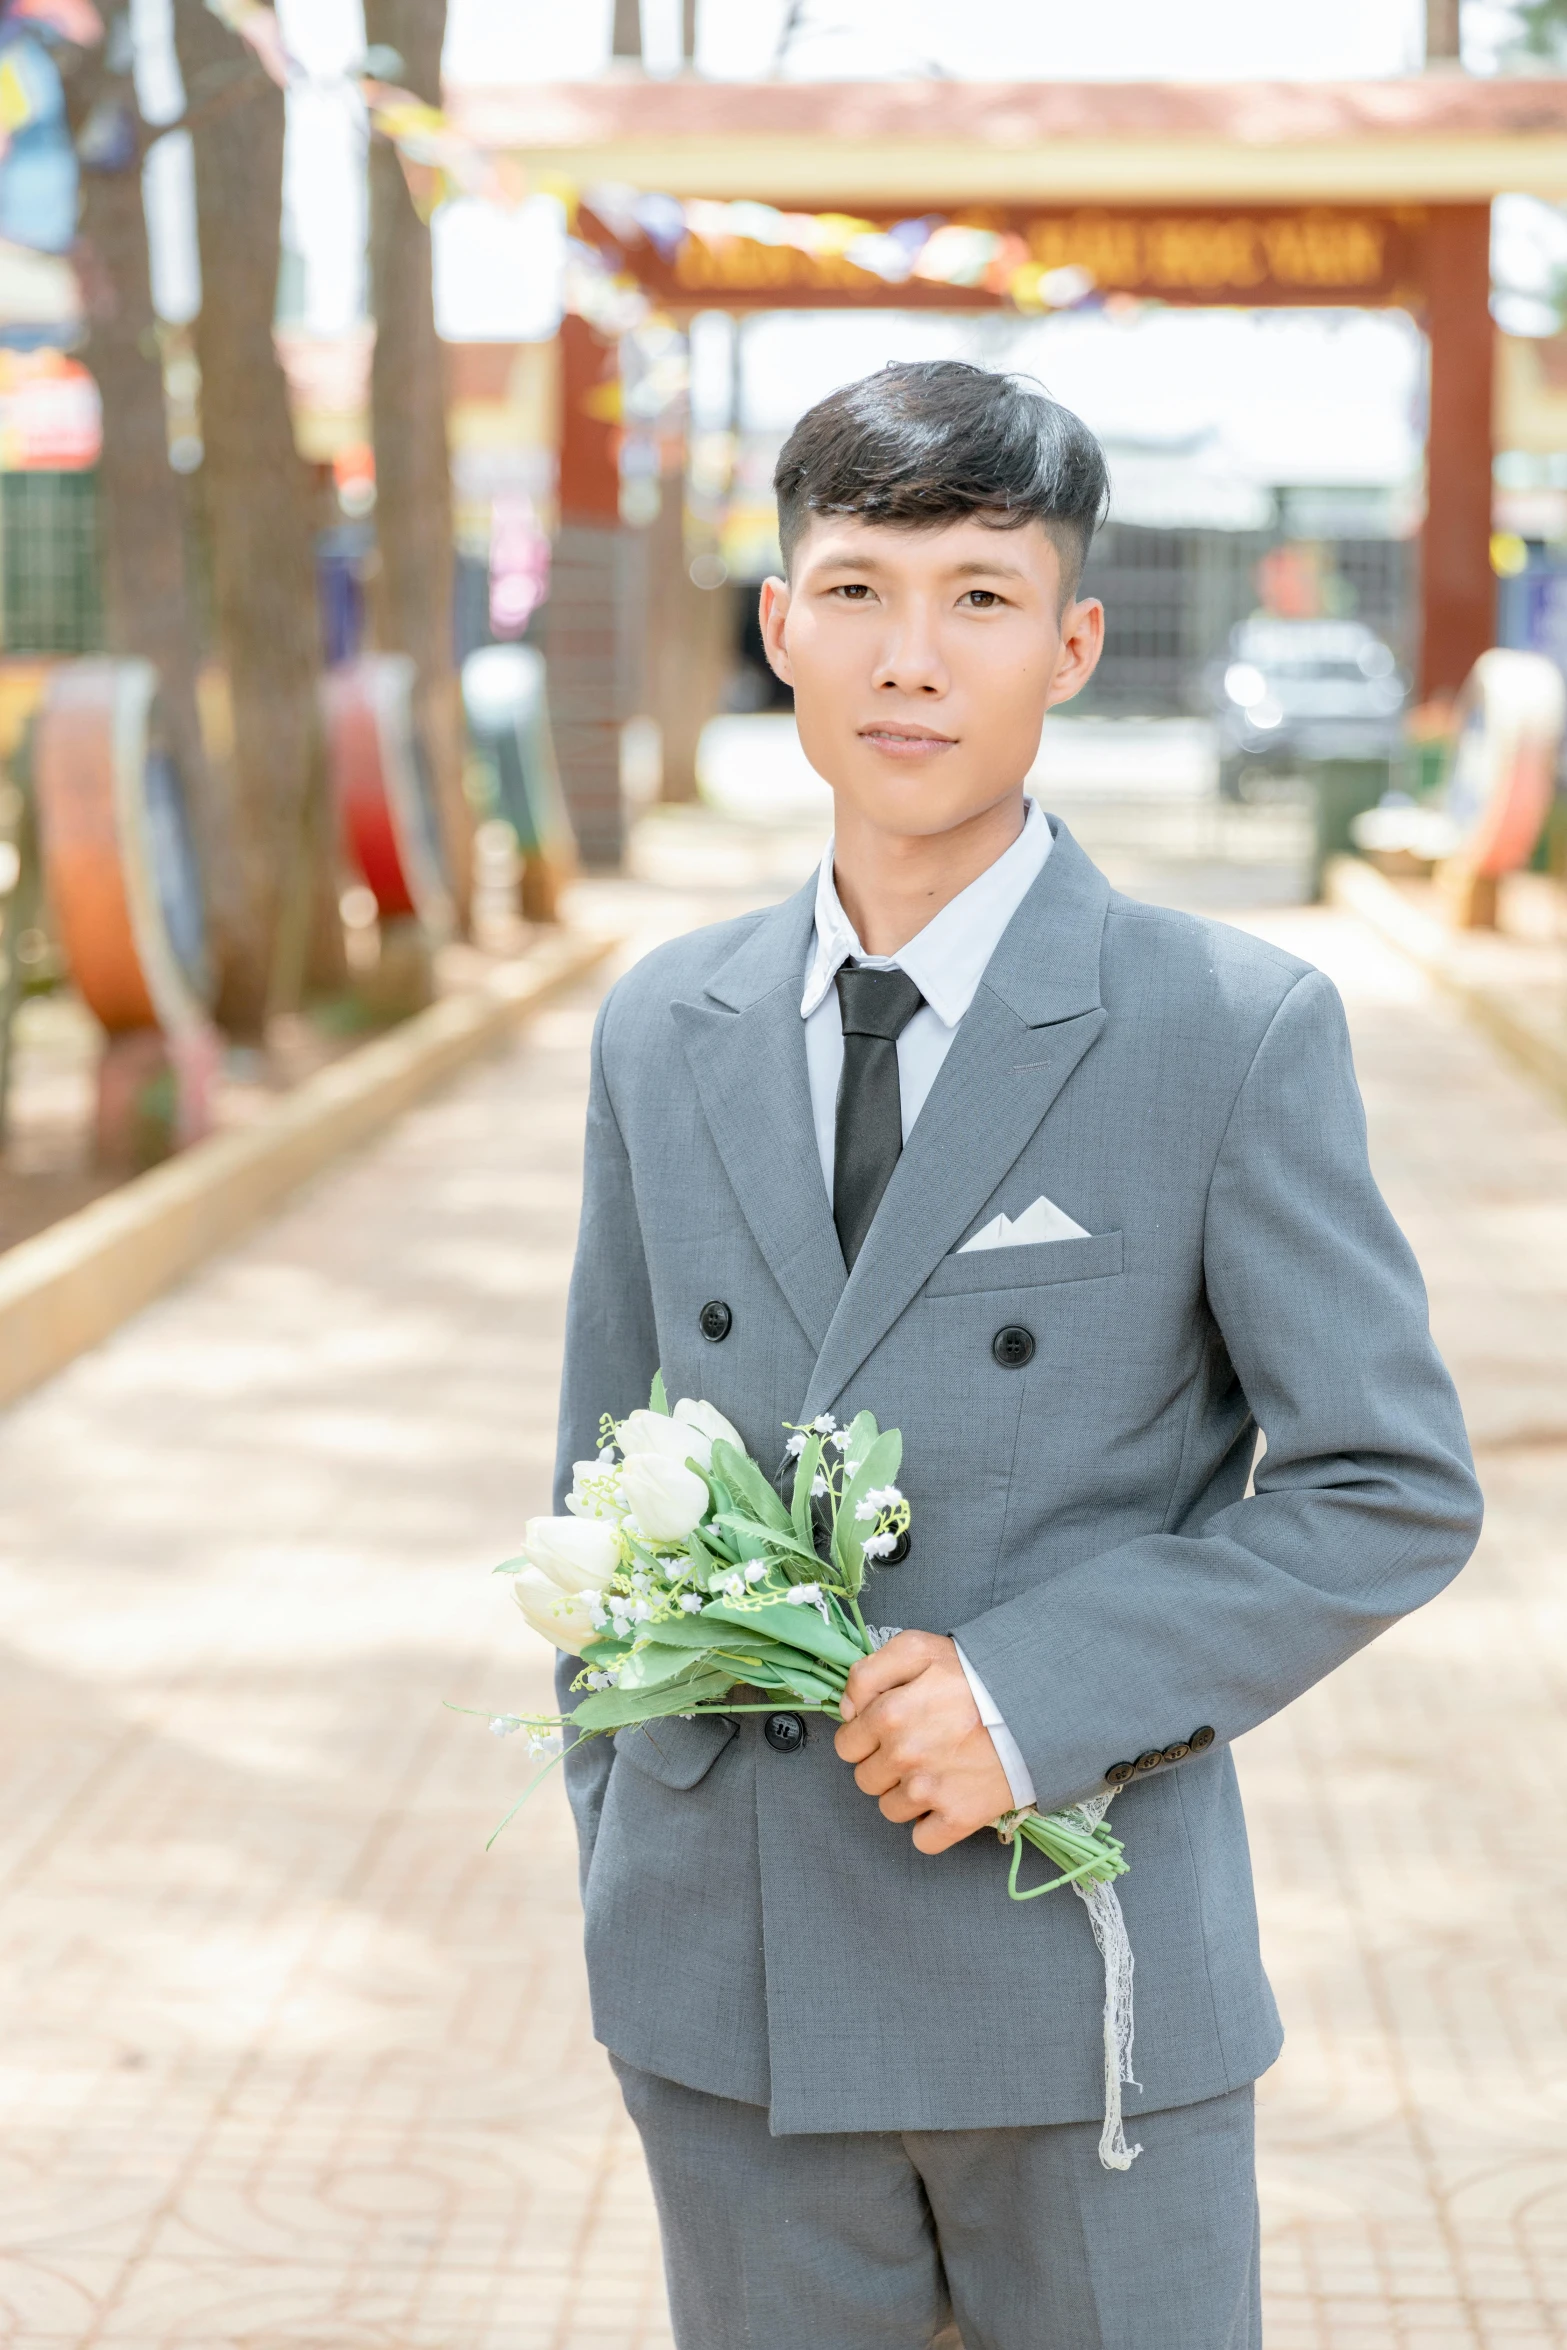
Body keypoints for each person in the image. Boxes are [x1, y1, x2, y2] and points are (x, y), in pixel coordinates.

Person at [551, 360, 1481, 2350]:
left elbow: (1385, 1480)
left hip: (1076, 1982)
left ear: (1070, 641)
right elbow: (603, 1473)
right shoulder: (665, 1023)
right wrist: (625, 1845)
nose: (913, 655)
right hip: (733, 1993)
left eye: (979, 594)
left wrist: (1028, 1690)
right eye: (861, 586)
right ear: (779, 623)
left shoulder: (1223, 1024)